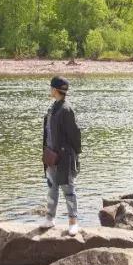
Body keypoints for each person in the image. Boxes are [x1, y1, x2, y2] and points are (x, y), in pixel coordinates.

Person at [40, 75, 82, 235]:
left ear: (56, 90)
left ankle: (73, 222)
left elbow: (75, 135)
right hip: (51, 157)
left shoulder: (66, 109)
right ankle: (50, 219)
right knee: (52, 188)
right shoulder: (53, 107)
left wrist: (76, 156)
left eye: (51, 87)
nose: (50, 90)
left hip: (64, 159)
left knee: (68, 190)